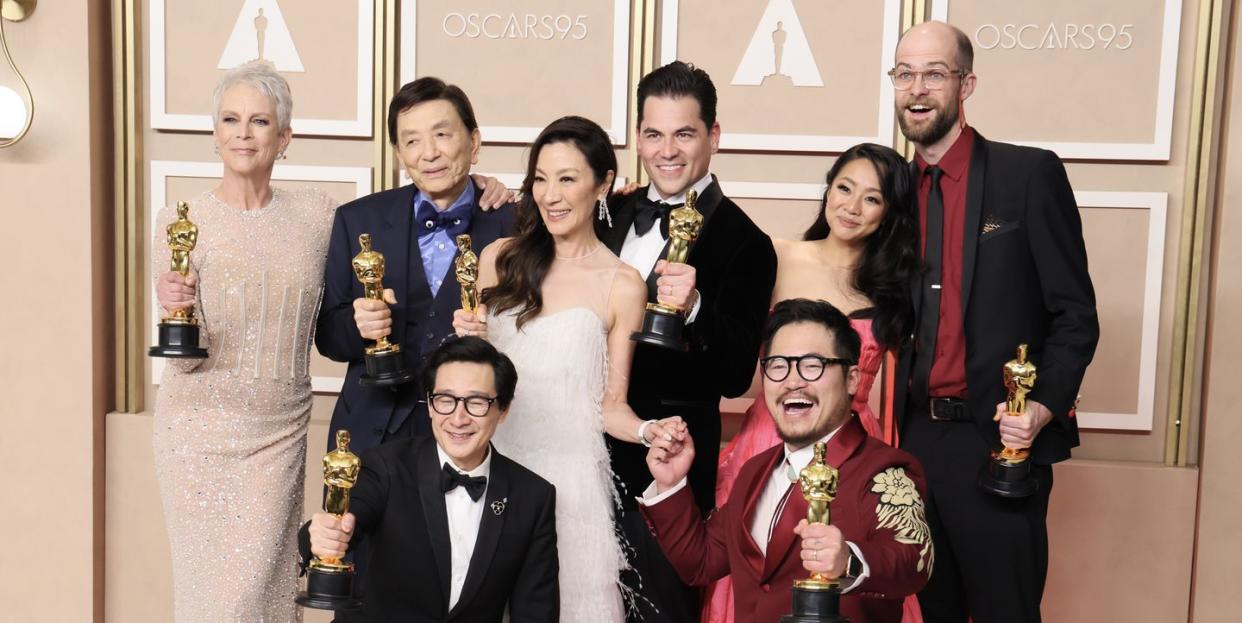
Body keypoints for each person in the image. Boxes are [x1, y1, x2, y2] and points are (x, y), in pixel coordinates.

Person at [888, 21, 1099, 622]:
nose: (917, 88)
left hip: (998, 440)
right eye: (905, 74)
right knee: (928, 613)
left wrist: (1041, 408)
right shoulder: (892, 190)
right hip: (910, 442)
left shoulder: (1027, 175)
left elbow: (1076, 316)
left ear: (967, 83)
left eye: (934, 73)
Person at [452, 115, 687, 621]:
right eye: (540, 178)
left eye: (567, 179)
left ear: (602, 183)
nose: (550, 194)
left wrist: (650, 431)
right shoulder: (499, 259)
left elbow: (611, 407)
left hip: (570, 487)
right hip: (490, 468)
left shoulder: (623, 284)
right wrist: (467, 345)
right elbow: (467, 379)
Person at [151, 60, 336, 622]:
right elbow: (187, 348)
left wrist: (483, 183)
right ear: (215, 133)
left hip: (278, 432)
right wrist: (171, 299)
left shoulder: (319, 216)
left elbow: (399, 218)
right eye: (230, 119)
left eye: (259, 121)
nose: (243, 132)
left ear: (284, 136)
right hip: (195, 433)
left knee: (264, 591)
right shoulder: (180, 222)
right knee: (214, 600)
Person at [706, 142, 920, 623]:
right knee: (759, 572)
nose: (851, 205)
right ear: (828, 191)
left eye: (872, 198)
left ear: (889, 213)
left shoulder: (895, 285)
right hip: (770, 434)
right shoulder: (778, 256)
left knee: (839, 577)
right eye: (844, 188)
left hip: (851, 444)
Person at [598, 60, 778, 622]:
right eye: (653, 134)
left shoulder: (746, 242)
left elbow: (733, 374)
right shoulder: (608, 215)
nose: (667, 150)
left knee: (659, 612)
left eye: (684, 133)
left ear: (714, 137)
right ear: (637, 138)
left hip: (666, 465)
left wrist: (695, 309)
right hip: (578, 451)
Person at [639, 299, 933, 623]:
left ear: (851, 378)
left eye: (812, 365)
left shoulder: (882, 469)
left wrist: (848, 559)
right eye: (778, 365)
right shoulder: (755, 471)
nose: (792, 381)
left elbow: (913, 557)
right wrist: (670, 483)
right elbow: (701, 561)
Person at [316, 76, 514, 457]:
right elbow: (327, 338)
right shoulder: (357, 220)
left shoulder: (514, 223)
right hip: (367, 438)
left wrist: (495, 336)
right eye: (412, 141)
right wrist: (358, 326)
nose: (429, 153)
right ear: (398, 154)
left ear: (474, 143)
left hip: (472, 440)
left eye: (442, 135)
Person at [300, 336, 559, 622]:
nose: (458, 419)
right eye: (445, 400)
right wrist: (322, 536)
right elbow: (344, 522)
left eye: (476, 402)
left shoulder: (533, 496)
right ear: (430, 406)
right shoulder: (386, 466)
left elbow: (536, 612)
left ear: (503, 409)